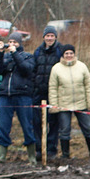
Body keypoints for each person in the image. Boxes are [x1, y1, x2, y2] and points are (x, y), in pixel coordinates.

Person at [48, 44, 90, 158]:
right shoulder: (56, 68)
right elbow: (52, 88)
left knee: (87, 128)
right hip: (64, 105)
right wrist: (54, 106)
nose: (69, 55)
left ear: (74, 54)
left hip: (81, 103)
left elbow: (88, 85)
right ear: (63, 55)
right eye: (66, 53)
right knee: (64, 130)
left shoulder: (82, 66)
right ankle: (65, 154)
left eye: (71, 53)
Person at [0, 32, 37, 164]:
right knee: (3, 126)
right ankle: (2, 156)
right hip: (6, 95)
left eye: (14, 42)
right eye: (10, 42)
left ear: (19, 44)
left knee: (27, 126)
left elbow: (25, 69)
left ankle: (31, 157)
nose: (11, 44)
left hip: (23, 96)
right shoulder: (5, 57)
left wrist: (15, 53)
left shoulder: (28, 56)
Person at [32, 25, 62, 160]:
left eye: (52, 36)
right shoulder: (38, 51)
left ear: (55, 37)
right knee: (37, 121)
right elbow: (33, 70)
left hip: (54, 92)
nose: (49, 38)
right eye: (47, 36)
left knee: (54, 122)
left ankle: (51, 149)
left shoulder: (60, 51)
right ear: (43, 37)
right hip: (38, 92)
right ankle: (39, 149)